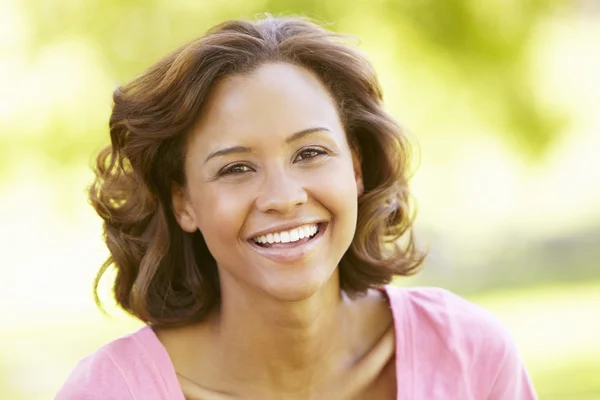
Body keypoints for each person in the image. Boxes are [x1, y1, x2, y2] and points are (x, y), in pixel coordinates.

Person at [56, 14, 537, 400]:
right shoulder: (109, 391)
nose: (284, 197)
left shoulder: (471, 358)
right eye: (236, 168)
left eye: (310, 154)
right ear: (183, 203)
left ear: (356, 169)